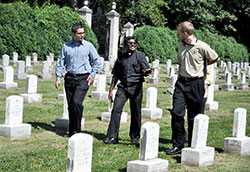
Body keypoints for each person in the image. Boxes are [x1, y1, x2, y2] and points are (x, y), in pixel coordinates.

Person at [166, 21, 219, 155]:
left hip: (196, 84)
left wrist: (205, 77)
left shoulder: (202, 46)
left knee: (194, 117)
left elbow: (214, 58)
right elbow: (180, 64)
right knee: (176, 113)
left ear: (185, 33)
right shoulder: (181, 45)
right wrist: (178, 81)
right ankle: (178, 144)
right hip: (181, 83)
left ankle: (192, 144)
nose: (177, 35)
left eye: (178, 32)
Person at [104, 36, 152, 144]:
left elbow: (146, 71)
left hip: (136, 87)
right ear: (125, 45)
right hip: (123, 87)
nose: (133, 45)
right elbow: (115, 75)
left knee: (135, 112)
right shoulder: (121, 58)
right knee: (116, 110)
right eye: (130, 43)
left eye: (134, 43)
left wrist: (147, 72)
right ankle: (113, 136)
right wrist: (111, 91)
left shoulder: (140, 57)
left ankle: (135, 136)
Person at [55, 23, 101, 137]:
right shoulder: (66, 46)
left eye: (83, 33)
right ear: (73, 34)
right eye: (79, 33)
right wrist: (58, 78)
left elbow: (97, 61)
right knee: (71, 105)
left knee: (77, 102)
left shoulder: (88, 46)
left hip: (83, 78)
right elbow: (61, 62)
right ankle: (72, 131)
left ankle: (77, 130)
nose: (82, 35)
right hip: (70, 77)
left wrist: (93, 75)